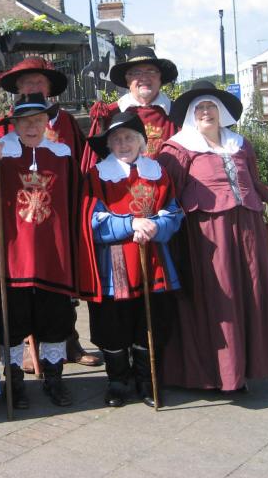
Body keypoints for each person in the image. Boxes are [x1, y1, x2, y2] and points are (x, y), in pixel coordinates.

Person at [157, 80, 268, 392]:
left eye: (211, 106)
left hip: (248, 231)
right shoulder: (177, 149)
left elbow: (254, 181)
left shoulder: (240, 144)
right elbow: (166, 195)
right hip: (207, 237)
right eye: (200, 107)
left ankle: (248, 365)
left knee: (251, 293)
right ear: (192, 114)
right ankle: (219, 373)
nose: (206, 111)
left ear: (221, 112)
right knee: (219, 298)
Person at [0, 57, 100, 369]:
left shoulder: (65, 123)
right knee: (16, 307)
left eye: (40, 82)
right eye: (27, 83)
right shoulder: (1, 129)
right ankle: (24, 356)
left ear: (49, 88)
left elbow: (80, 169)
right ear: (18, 89)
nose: (34, 86)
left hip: (53, 232)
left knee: (56, 302)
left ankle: (68, 346)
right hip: (17, 236)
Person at [0, 93, 80, 409]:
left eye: (38, 120)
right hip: (13, 255)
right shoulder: (2, 152)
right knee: (12, 322)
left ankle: (54, 378)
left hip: (52, 255)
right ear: (15, 123)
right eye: (25, 121)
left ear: (47, 122)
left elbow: (75, 203)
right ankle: (15, 380)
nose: (32, 126)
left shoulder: (61, 155)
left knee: (55, 319)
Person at [78, 112, 184, 407]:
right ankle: (117, 382)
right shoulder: (97, 175)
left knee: (151, 322)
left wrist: (155, 226)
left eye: (128, 138)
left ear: (141, 142)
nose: (123, 144)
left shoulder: (159, 173)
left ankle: (147, 380)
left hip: (154, 261)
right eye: (116, 139)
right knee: (114, 325)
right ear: (109, 145)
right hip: (115, 267)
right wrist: (130, 224)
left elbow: (174, 212)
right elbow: (92, 220)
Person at [81, 46, 179, 171]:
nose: (144, 77)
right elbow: (92, 163)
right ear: (127, 80)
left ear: (160, 78)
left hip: (166, 187)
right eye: (136, 73)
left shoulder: (177, 113)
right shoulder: (109, 114)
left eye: (151, 71)